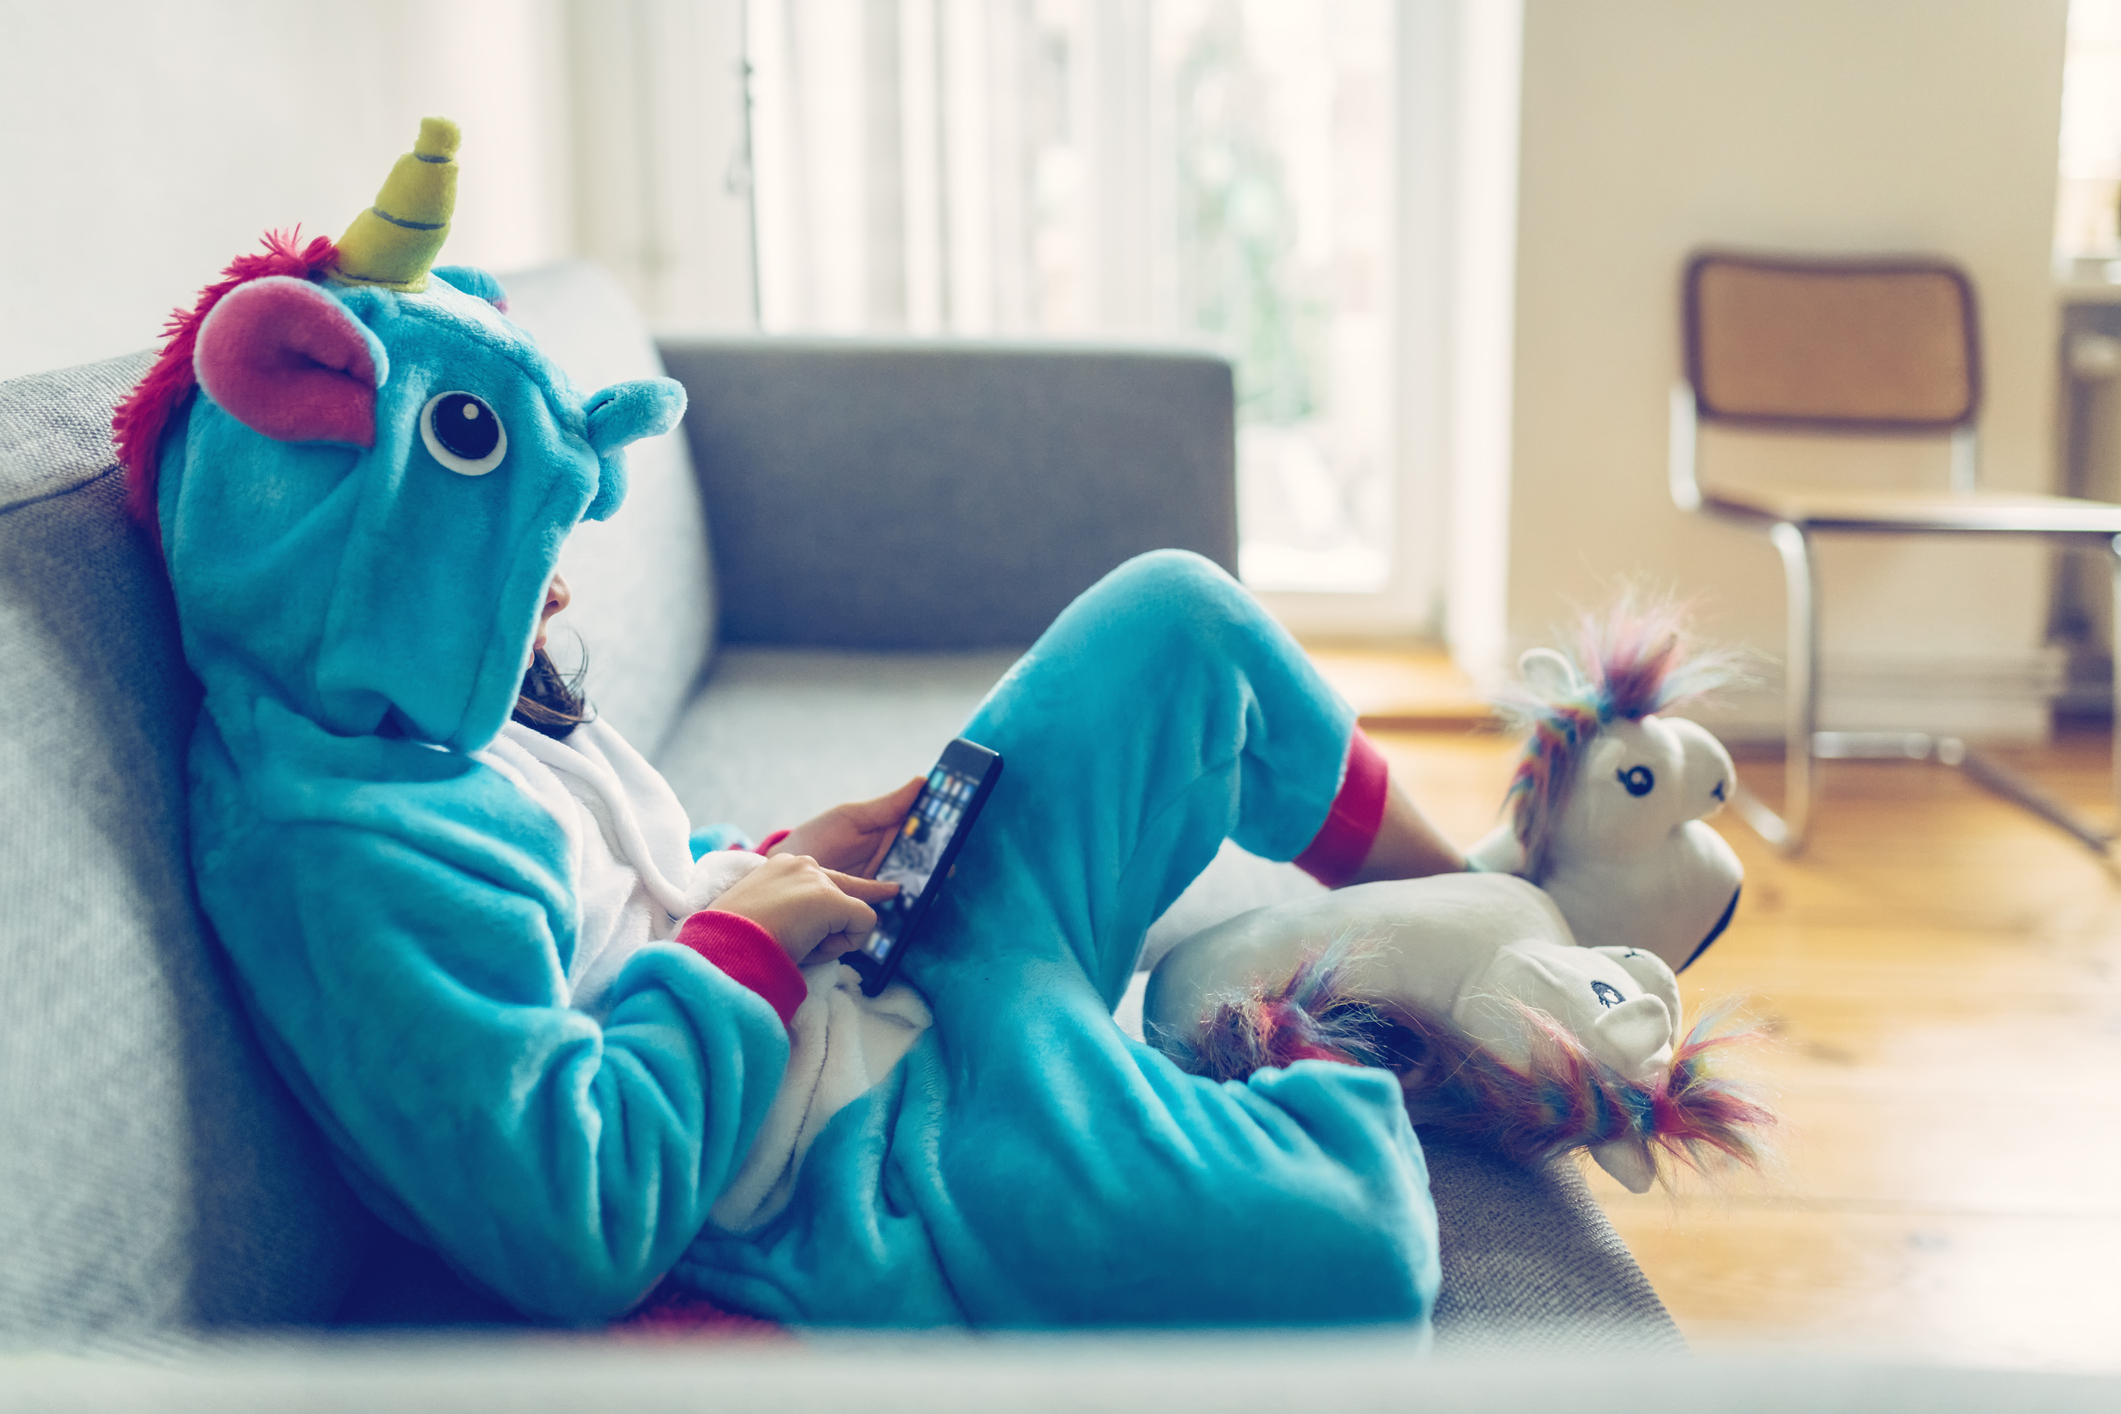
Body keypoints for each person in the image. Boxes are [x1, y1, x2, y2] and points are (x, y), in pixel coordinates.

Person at [117, 119, 1467, 1333]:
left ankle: (1473, 908)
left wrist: (777, 854)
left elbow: (630, 898)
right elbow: (572, 1220)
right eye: (525, 569)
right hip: (872, 1139)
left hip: (886, 965)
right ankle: (1216, 1057)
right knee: (1355, 1252)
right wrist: (746, 941)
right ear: (366, 556)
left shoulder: (445, 711)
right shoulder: (330, 861)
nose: (567, 590)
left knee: (1174, 617)